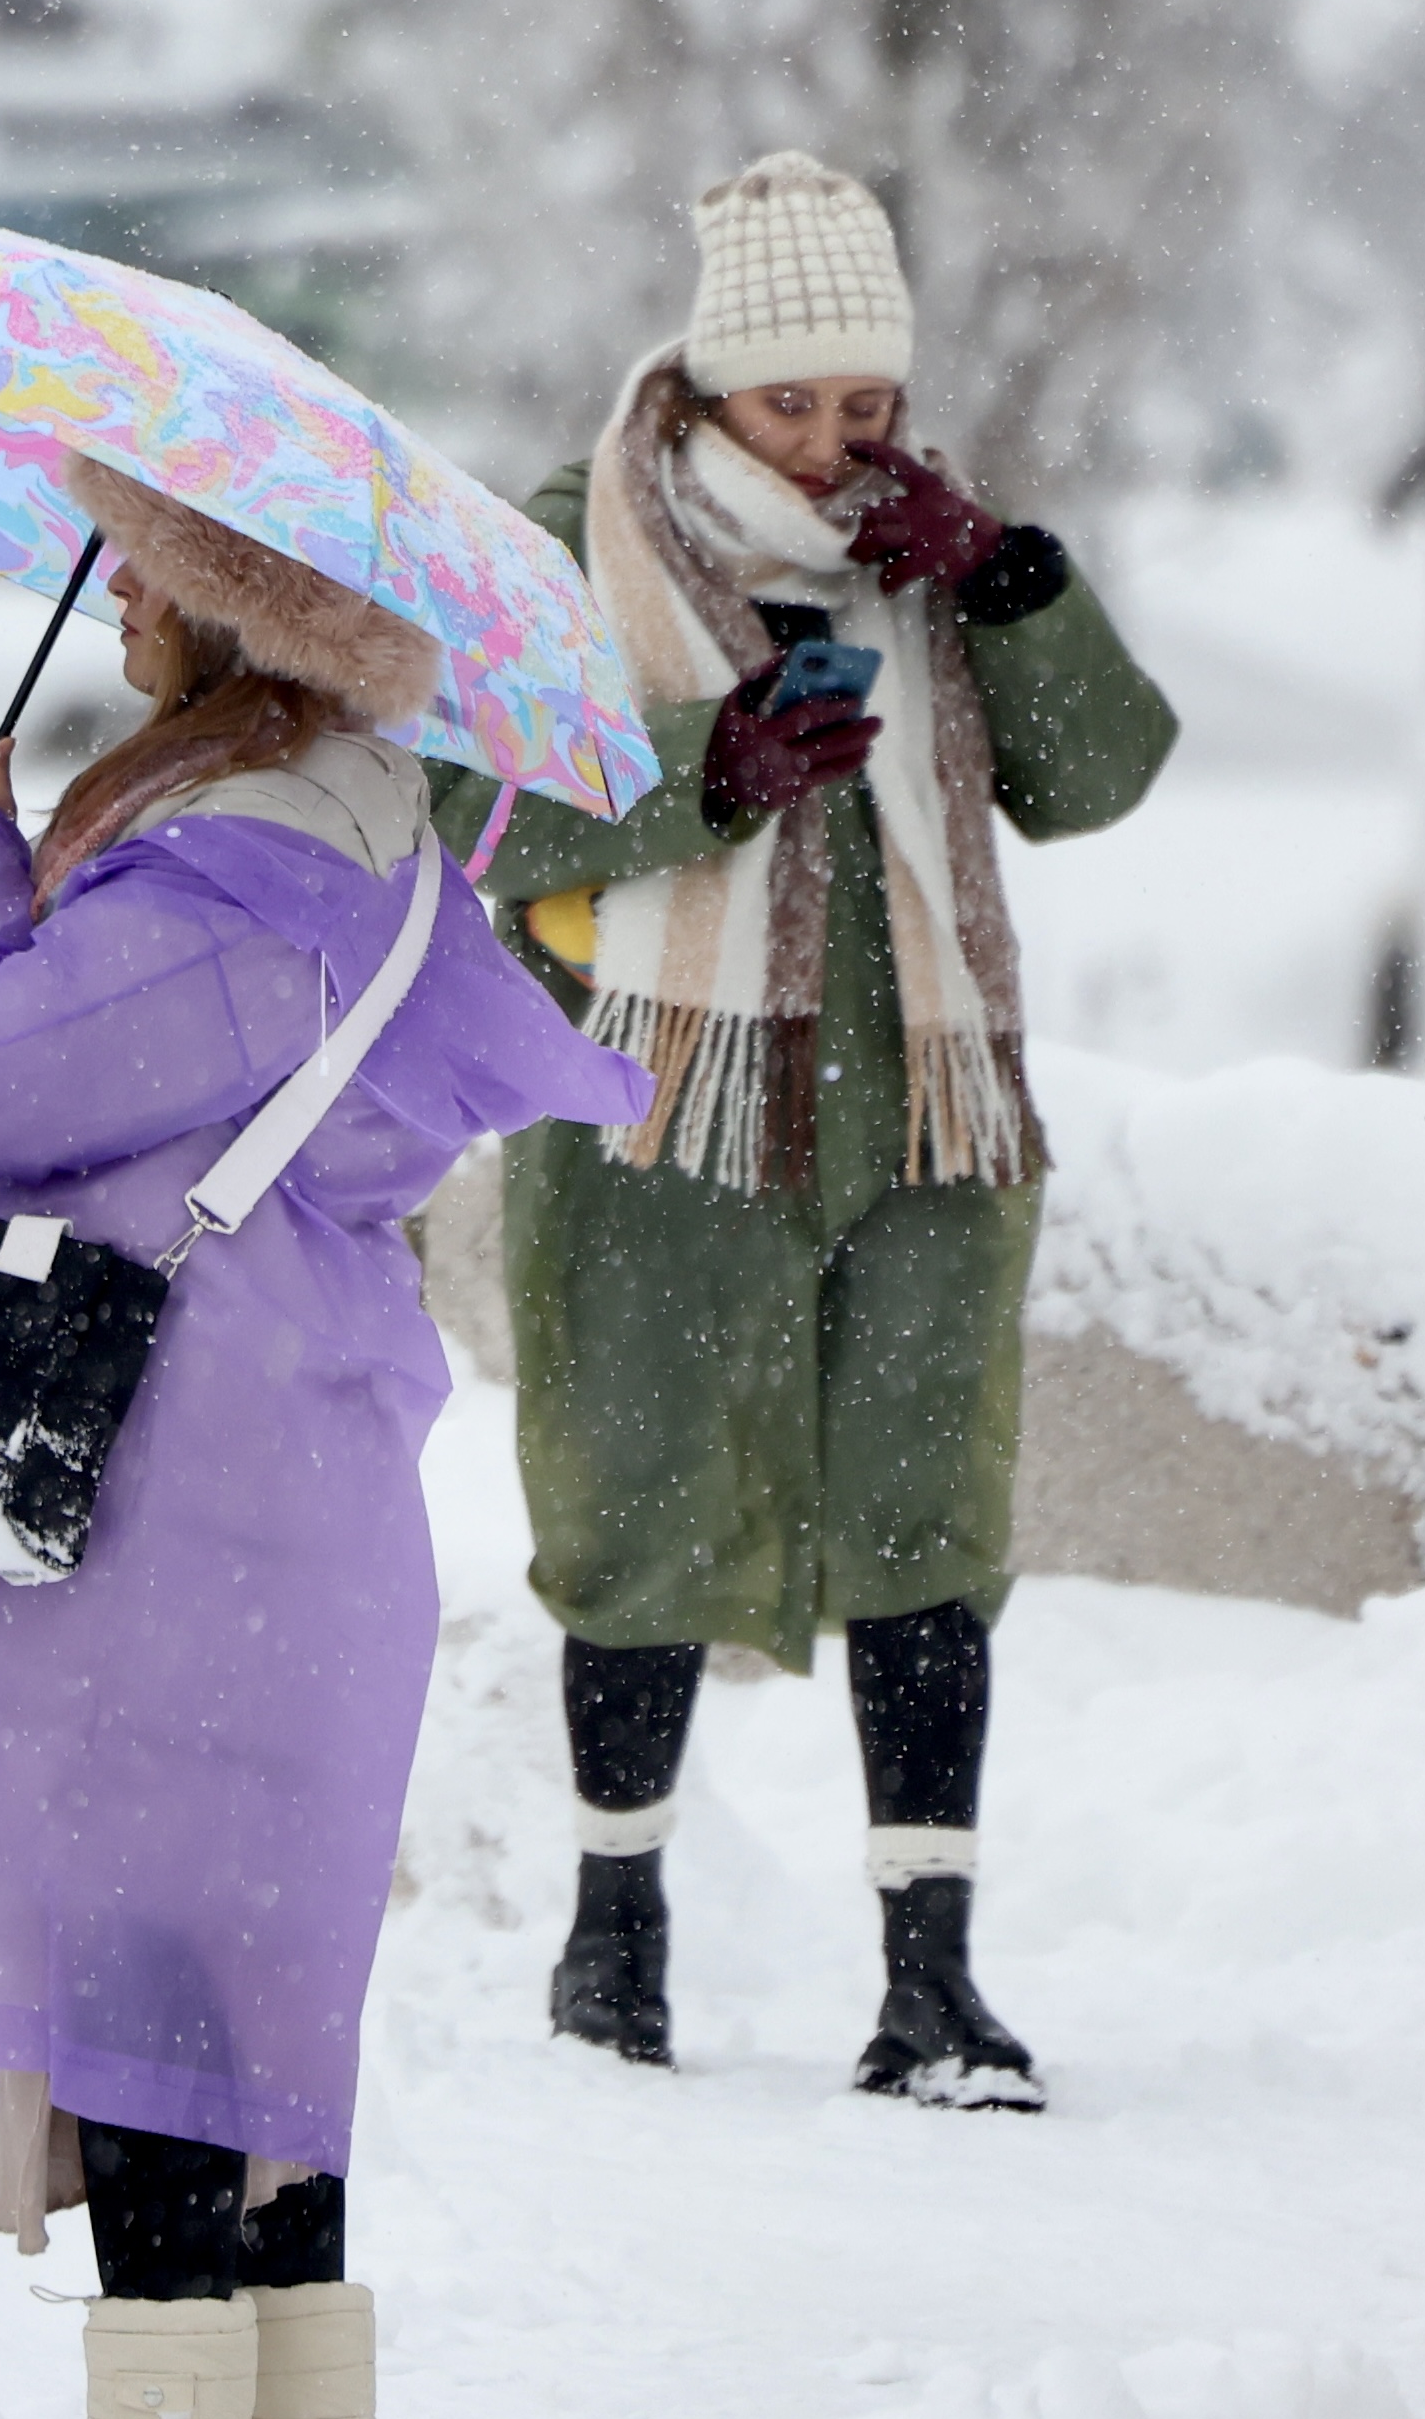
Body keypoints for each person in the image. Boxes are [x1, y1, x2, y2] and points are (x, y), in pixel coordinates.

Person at [0, 457, 649, 2419]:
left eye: (152, 560)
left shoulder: (242, 870)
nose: (114, 589)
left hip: (175, 1494)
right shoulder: (335, 845)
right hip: (260, 1479)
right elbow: (7, 1052)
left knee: (155, 1973)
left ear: (241, 612)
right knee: (237, 1991)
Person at [429, 153, 1175, 2110]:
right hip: (658, 1113)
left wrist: (1004, 583)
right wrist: (712, 770)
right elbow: (464, 814)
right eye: (801, 403)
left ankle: (934, 1987)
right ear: (705, 391)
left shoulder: (934, 569)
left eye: (873, 404)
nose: (845, 441)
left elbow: (1098, 782)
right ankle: (615, 1944)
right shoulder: (569, 545)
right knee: (635, 1508)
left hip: (922, 1122)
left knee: (935, 1520)